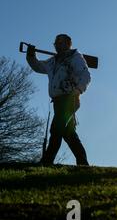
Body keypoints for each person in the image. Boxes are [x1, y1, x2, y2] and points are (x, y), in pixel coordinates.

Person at [26, 34, 91, 166]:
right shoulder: (53, 61)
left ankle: (46, 161)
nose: (57, 45)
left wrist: (77, 92)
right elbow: (38, 67)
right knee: (68, 134)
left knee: (55, 130)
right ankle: (83, 164)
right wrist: (31, 56)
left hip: (69, 98)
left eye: (60, 42)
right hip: (57, 101)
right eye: (56, 43)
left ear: (68, 44)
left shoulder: (75, 57)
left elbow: (86, 76)